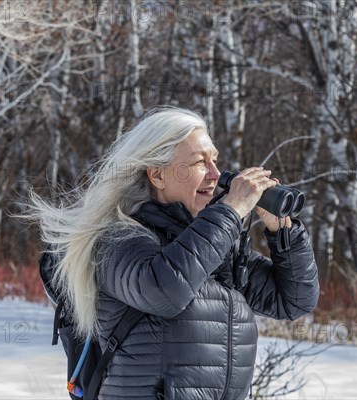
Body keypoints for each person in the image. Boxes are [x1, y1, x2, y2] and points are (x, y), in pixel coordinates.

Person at [30, 107, 319, 399]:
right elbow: (164, 289)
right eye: (199, 162)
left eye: (215, 160)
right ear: (157, 174)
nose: (216, 175)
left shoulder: (214, 245)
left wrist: (283, 232)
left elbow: (293, 300)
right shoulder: (118, 239)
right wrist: (231, 211)